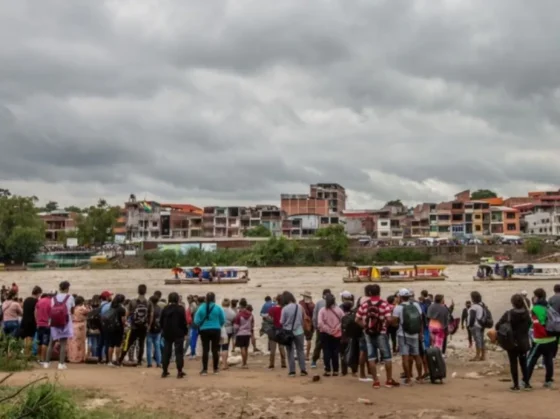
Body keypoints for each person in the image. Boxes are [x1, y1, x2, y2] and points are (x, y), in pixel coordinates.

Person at [356, 284, 399, 388]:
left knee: (371, 357)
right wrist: (386, 325)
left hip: (368, 334)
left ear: (369, 293)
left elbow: (357, 319)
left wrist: (365, 327)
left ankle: (376, 381)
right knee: (387, 357)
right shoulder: (384, 304)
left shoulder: (365, 305)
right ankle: (388, 380)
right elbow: (389, 319)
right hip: (382, 333)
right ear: (379, 292)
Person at [495, 294, 531, 392]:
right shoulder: (527, 314)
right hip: (523, 341)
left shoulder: (509, 314)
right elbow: (529, 325)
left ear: (512, 303)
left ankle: (516, 385)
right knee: (524, 362)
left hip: (512, 342)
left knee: (513, 363)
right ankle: (527, 384)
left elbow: (497, 325)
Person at [391, 289, 423, 385]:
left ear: (400, 297)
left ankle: (408, 378)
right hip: (415, 334)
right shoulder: (416, 305)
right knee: (417, 356)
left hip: (403, 335)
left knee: (405, 357)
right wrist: (420, 333)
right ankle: (420, 378)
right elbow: (420, 320)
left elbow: (394, 323)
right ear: (409, 296)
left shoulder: (398, 308)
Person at [526, 288, 556, 388]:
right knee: (548, 361)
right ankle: (548, 381)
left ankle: (525, 381)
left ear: (537, 297)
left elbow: (534, 323)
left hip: (540, 339)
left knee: (531, 360)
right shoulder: (549, 307)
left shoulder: (535, 309)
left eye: (534, 296)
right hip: (552, 338)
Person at [44, 281, 75, 370]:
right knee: (63, 343)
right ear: (67, 288)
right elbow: (72, 309)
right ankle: (61, 363)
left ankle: (47, 362)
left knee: (51, 342)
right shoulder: (70, 297)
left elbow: (51, 308)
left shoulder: (54, 298)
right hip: (65, 321)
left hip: (54, 321)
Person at [120, 284, 153, 365]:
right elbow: (151, 315)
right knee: (141, 344)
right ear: (145, 291)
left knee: (128, 343)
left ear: (138, 291)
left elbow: (126, 314)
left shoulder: (133, 302)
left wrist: (124, 323)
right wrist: (149, 326)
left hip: (134, 326)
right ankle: (139, 361)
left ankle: (120, 359)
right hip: (144, 326)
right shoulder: (149, 303)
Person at [194, 292, 225, 375]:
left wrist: (201, 325)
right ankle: (215, 369)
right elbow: (223, 320)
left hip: (204, 330)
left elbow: (196, 320)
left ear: (206, 299)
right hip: (216, 329)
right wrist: (218, 325)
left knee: (205, 350)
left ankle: (204, 370)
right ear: (214, 299)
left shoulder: (201, 308)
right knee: (215, 350)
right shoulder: (218, 308)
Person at [160, 292, 188, 378]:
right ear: (177, 299)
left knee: (166, 352)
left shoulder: (165, 309)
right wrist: (185, 332)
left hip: (167, 332)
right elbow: (184, 322)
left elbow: (161, 321)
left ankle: (164, 371)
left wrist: (163, 330)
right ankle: (179, 371)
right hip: (179, 332)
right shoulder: (181, 309)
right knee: (179, 352)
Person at [280, 291, 308, 377]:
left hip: (288, 332)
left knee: (290, 351)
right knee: (300, 351)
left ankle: (292, 371)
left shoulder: (285, 309)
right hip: (299, 331)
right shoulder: (300, 306)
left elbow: (282, 321)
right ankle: (303, 370)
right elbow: (303, 318)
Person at [318, 293, 344, 377]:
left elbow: (320, 323)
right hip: (337, 334)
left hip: (325, 334)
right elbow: (343, 321)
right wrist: (336, 329)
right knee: (335, 352)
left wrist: (328, 330)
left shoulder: (322, 310)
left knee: (326, 351)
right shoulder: (339, 310)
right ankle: (336, 370)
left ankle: (327, 370)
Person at [104, 294, 126, 367]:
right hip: (118, 328)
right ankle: (117, 360)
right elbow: (123, 320)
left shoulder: (111, 306)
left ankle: (109, 361)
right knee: (118, 344)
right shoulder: (122, 309)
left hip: (110, 327)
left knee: (111, 345)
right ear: (122, 300)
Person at [311, 288, 331, 369]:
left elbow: (314, 316)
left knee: (318, 345)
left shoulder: (318, 303)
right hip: (329, 329)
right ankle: (327, 362)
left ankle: (314, 361)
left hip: (320, 328)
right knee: (328, 345)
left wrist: (315, 326)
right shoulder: (333, 303)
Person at [267, 293, 287, 369]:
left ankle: (271, 363)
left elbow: (269, 320)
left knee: (272, 349)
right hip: (281, 330)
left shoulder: (272, 309)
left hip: (273, 330)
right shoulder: (284, 310)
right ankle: (283, 363)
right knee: (282, 348)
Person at [67, 296, 90, 363]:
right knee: (80, 343)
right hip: (80, 326)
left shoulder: (72, 308)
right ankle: (79, 358)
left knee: (72, 342)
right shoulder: (81, 308)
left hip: (72, 325)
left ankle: (71, 357)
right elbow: (89, 311)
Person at [21, 286, 42, 356]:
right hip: (32, 321)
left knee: (26, 338)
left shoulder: (26, 300)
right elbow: (36, 313)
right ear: (38, 293)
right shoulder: (36, 301)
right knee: (30, 338)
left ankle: (26, 353)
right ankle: (28, 354)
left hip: (24, 320)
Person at [233, 298, 254, 368]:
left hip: (240, 333)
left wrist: (235, 332)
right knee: (246, 348)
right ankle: (245, 362)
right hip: (248, 333)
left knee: (242, 348)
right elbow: (252, 324)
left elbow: (236, 326)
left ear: (241, 306)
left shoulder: (239, 315)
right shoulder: (250, 314)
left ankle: (243, 363)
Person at [468, 291, 487, 362]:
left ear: (473, 298)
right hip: (481, 325)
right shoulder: (481, 305)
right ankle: (483, 355)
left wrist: (470, 325)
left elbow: (472, 317)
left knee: (477, 340)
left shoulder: (474, 307)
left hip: (475, 326)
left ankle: (477, 356)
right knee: (481, 340)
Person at [35, 292, 52, 363]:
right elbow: (52, 313)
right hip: (47, 325)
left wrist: (37, 322)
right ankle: (43, 358)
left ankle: (38, 358)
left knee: (39, 342)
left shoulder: (38, 302)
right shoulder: (50, 302)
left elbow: (35, 312)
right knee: (45, 342)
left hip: (39, 324)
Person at [146, 295, 162, 368]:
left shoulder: (149, 308)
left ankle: (149, 363)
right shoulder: (159, 308)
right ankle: (158, 363)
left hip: (150, 329)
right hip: (158, 329)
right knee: (157, 347)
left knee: (149, 347)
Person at [299, 291, 315, 361]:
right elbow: (314, 315)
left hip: (301, 323)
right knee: (309, 340)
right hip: (309, 324)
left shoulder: (300, 303)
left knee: (300, 339)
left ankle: (301, 354)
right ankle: (307, 355)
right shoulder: (312, 305)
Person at [221, 298, 236, 368]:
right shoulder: (232, 312)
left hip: (221, 330)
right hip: (229, 330)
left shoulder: (220, 310)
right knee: (226, 347)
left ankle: (219, 362)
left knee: (220, 346)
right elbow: (234, 321)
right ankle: (225, 364)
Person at [86, 295, 102, 360]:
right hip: (98, 329)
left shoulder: (89, 311)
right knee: (98, 344)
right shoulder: (100, 310)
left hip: (91, 329)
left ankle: (93, 356)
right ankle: (97, 356)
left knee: (92, 343)